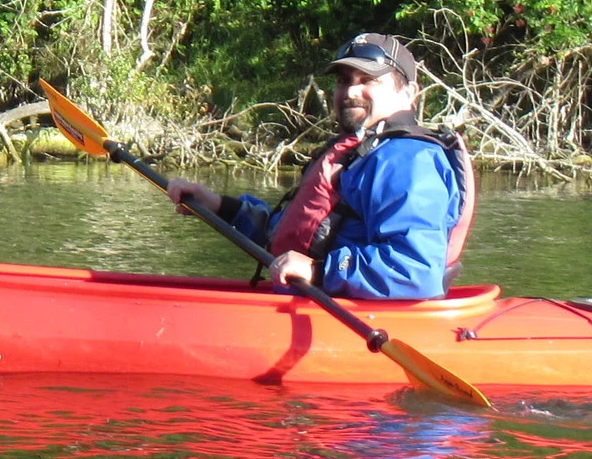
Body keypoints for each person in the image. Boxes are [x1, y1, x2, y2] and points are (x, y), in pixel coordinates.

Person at [164, 33, 473, 300]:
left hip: (359, 321)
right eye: (343, 81)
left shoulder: (405, 160)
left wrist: (318, 271)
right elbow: (298, 239)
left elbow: (414, 269)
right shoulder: (359, 154)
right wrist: (220, 207)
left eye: (368, 81)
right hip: (304, 303)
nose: (351, 92)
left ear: (408, 94)